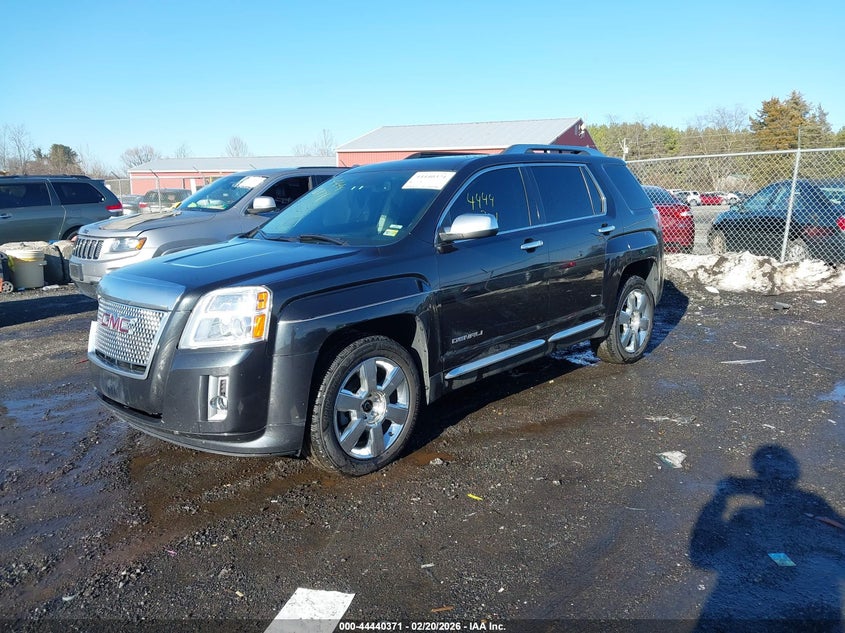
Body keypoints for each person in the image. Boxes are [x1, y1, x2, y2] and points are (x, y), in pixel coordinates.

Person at [690, 445, 845, 631]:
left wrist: (720, 499)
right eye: (765, 471)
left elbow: (701, 555)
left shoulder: (755, 517)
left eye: (777, 472)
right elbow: (701, 554)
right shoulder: (749, 517)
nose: (772, 478)